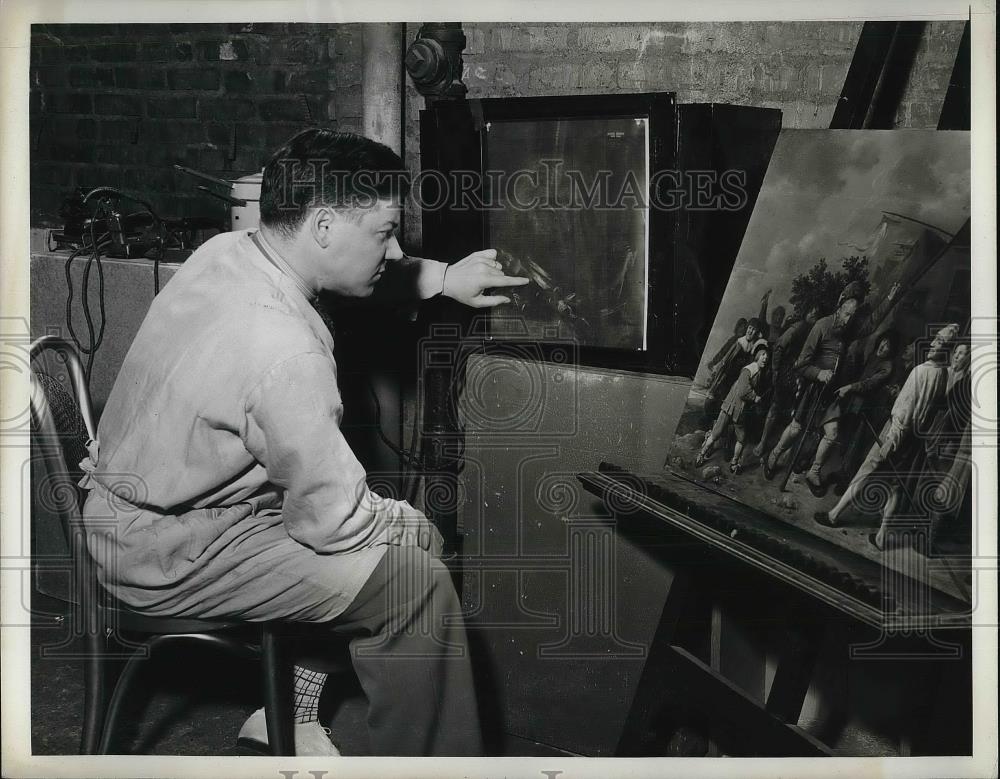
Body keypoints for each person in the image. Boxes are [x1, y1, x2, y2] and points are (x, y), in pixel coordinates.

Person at [78, 128, 529, 756]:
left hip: (130, 513)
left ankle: (284, 711)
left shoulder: (230, 252)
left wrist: (442, 277)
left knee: (383, 541)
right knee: (414, 579)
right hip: (168, 553)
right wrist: (404, 524)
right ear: (321, 226)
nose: (396, 248)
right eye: (385, 234)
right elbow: (331, 525)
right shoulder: (283, 350)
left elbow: (344, 279)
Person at [815, 324, 959, 550]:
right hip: (913, 440)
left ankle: (834, 515)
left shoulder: (921, 371)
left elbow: (905, 411)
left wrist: (892, 439)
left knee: (866, 471)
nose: (933, 343)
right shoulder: (943, 374)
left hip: (896, 433)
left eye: (940, 342)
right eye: (935, 339)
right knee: (894, 486)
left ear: (947, 349)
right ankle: (882, 538)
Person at [761, 280, 899, 486]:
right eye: (846, 314)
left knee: (832, 433)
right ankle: (773, 456)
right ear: (840, 307)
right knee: (797, 428)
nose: (848, 320)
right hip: (813, 389)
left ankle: (813, 472)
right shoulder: (821, 325)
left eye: (852, 316)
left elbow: (870, 324)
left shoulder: (849, 329)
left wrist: (889, 299)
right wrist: (818, 373)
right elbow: (801, 364)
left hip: (831, 392)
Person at [752, 304, 820, 461]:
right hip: (786, 371)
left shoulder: (816, 331)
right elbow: (779, 347)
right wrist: (776, 369)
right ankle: (762, 442)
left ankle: (776, 447)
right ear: (807, 312)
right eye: (812, 311)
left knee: (790, 411)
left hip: (802, 374)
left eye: (817, 314)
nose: (813, 315)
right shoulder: (797, 327)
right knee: (774, 406)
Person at [696, 342, 770, 474]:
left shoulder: (758, 372)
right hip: (731, 406)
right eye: (763, 355)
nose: (765, 358)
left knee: (741, 438)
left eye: (767, 356)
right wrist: (755, 397)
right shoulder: (749, 370)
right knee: (716, 433)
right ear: (757, 356)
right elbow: (742, 391)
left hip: (739, 410)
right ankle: (701, 455)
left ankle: (734, 463)